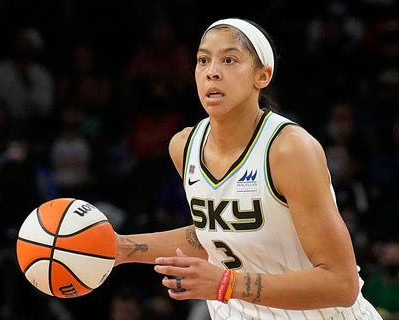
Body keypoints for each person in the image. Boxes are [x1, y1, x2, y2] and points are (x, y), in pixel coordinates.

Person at [114, 17, 383, 319]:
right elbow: (216, 235)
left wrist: (226, 284)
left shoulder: (289, 149)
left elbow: (341, 284)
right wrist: (123, 247)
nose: (212, 72)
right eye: (203, 60)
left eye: (229, 60)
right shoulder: (184, 146)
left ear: (262, 76)